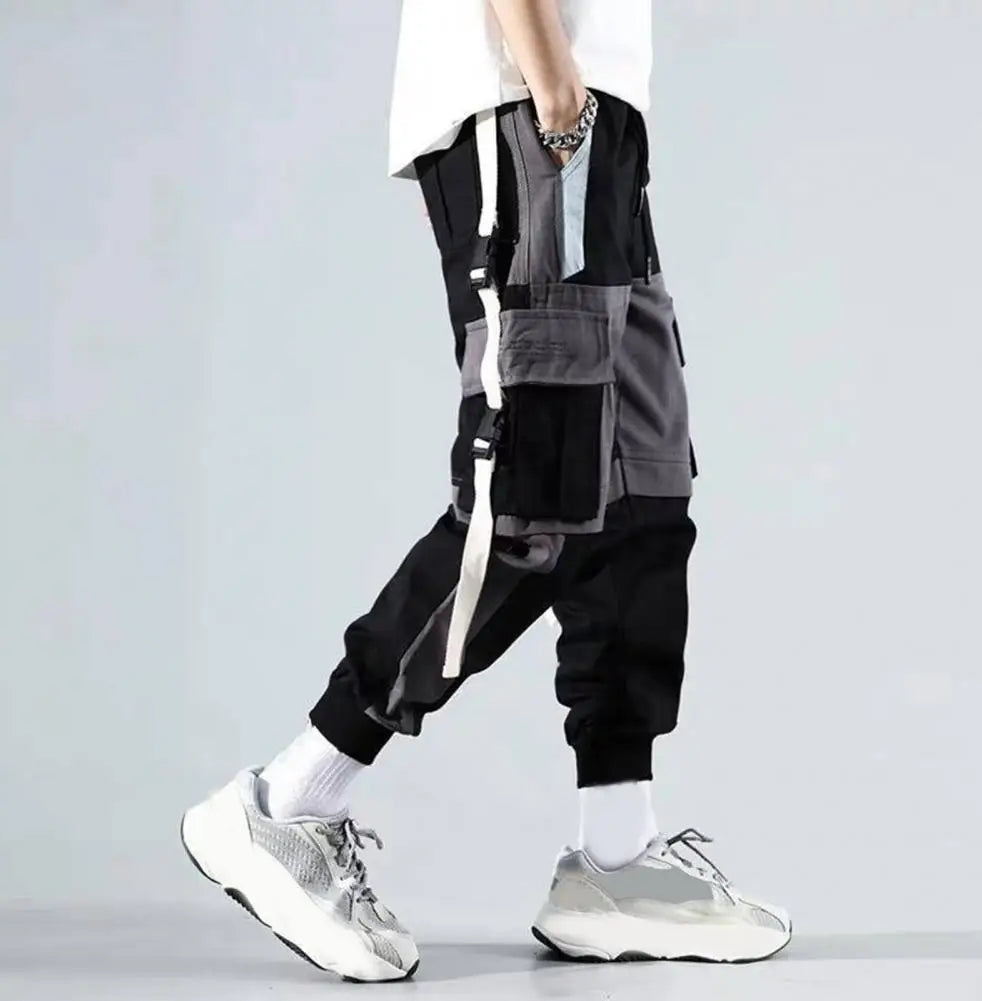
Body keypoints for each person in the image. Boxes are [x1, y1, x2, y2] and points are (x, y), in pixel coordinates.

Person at [180, 0, 791, 982]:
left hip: (596, 123)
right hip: (532, 106)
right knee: (537, 495)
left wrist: (582, 109)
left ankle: (615, 860)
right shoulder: (546, 100)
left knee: (639, 493)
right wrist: (552, 86)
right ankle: (289, 800)